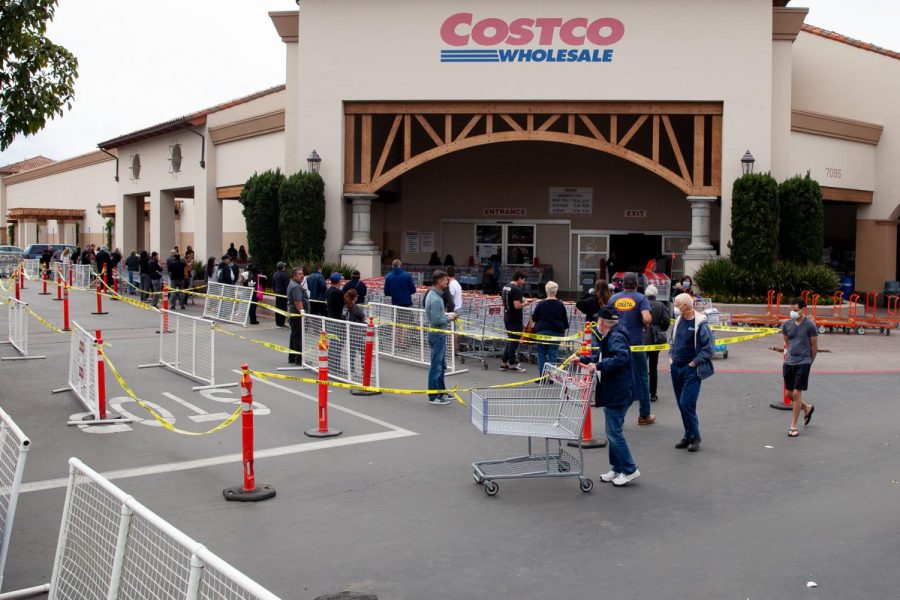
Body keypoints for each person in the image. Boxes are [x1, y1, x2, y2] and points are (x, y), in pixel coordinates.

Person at [580, 306, 640, 486]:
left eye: (598, 320)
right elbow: (602, 356)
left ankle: (629, 469)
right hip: (618, 389)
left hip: (618, 390)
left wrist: (598, 366)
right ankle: (617, 467)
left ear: (603, 323)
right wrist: (585, 360)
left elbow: (620, 358)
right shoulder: (613, 335)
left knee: (614, 432)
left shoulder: (615, 336)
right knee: (613, 431)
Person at [669, 293, 715, 451]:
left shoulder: (700, 324)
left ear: (685, 306)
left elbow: (709, 349)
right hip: (676, 368)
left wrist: (693, 363)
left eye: (677, 304)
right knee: (682, 405)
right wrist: (671, 357)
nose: (675, 306)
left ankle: (695, 436)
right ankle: (688, 435)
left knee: (686, 403)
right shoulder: (678, 321)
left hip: (691, 370)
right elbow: (673, 342)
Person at [609, 272, 655, 425]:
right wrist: (644, 323)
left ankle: (616, 413)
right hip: (635, 343)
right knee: (642, 377)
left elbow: (606, 319)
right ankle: (644, 415)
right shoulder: (641, 298)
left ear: (622, 284)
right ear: (636, 284)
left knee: (617, 376)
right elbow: (647, 318)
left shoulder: (614, 298)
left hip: (616, 343)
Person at [782, 297, 817, 437]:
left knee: (797, 393)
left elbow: (814, 347)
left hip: (803, 362)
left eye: (795, 309)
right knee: (788, 394)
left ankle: (793, 426)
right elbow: (787, 342)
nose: (793, 312)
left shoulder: (810, 326)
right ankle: (807, 408)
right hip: (789, 362)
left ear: (803, 309)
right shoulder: (787, 325)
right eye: (791, 309)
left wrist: (809, 361)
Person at [424, 270, 458, 405]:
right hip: (437, 334)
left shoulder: (434, 295)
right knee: (436, 366)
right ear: (439, 281)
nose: (447, 282)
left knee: (441, 365)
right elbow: (437, 319)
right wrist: (449, 317)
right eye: (445, 280)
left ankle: (441, 391)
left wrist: (446, 316)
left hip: (438, 334)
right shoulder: (436, 299)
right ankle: (433, 395)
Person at [527, 281, 569, 375]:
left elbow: (533, 319)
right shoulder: (560, 304)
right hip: (556, 331)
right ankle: (552, 375)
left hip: (542, 331)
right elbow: (565, 321)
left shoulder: (541, 304)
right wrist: (564, 334)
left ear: (546, 291)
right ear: (556, 291)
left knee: (541, 353)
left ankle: (542, 375)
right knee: (553, 353)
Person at [644, 284, 671, 402]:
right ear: (656, 294)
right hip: (655, 338)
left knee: (641, 366)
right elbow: (666, 321)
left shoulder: (642, 303)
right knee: (653, 366)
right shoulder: (661, 305)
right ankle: (653, 393)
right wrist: (660, 328)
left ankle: (640, 392)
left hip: (643, 336)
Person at [500, 270, 531, 372]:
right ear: (519, 278)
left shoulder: (505, 287)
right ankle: (512, 363)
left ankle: (504, 362)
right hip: (515, 319)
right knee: (514, 342)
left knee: (510, 340)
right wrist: (526, 303)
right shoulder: (516, 289)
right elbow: (517, 306)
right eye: (523, 280)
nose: (524, 282)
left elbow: (505, 302)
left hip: (507, 316)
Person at [286, 267, 309, 365]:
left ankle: (292, 357)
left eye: (302, 273)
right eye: (299, 274)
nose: (302, 275)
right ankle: (299, 359)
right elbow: (298, 302)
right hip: (296, 315)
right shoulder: (296, 287)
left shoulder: (294, 284)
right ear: (294, 275)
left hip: (294, 314)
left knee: (294, 335)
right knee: (298, 337)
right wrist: (303, 314)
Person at [343, 288, 367, 377]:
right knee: (364, 352)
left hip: (349, 332)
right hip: (357, 333)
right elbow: (363, 318)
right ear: (355, 297)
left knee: (351, 352)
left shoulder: (345, 307)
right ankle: (365, 370)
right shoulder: (356, 308)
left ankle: (351, 370)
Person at [273, 262, 291, 327]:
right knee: (283, 308)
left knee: (277, 307)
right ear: (282, 267)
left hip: (277, 293)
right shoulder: (284, 275)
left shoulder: (275, 274)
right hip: (283, 294)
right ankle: (281, 323)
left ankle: (277, 321)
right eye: (284, 266)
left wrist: (275, 291)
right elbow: (288, 285)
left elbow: (273, 284)